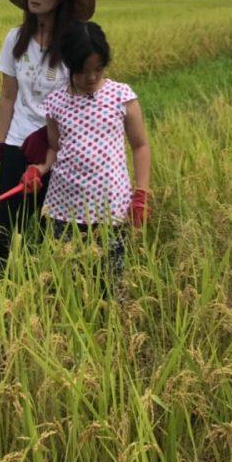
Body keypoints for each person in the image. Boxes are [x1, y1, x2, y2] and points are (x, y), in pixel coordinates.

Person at [0, 0, 95, 265]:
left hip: (60, 148)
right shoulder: (14, 38)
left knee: (57, 230)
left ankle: (52, 289)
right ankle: (3, 286)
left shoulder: (75, 44)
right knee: (7, 228)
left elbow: (84, 102)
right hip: (19, 143)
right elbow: (8, 97)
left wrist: (53, 141)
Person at [33, 21, 151, 279]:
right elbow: (54, 148)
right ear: (69, 64)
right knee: (67, 278)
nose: (91, 78)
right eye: (83, 70)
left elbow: (140, 146)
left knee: (110, 279)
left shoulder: (121, 96)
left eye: (98, 69)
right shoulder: (55, 102)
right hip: (65, 206)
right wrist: (39, 169)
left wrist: (141, 194)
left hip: (111, 207)